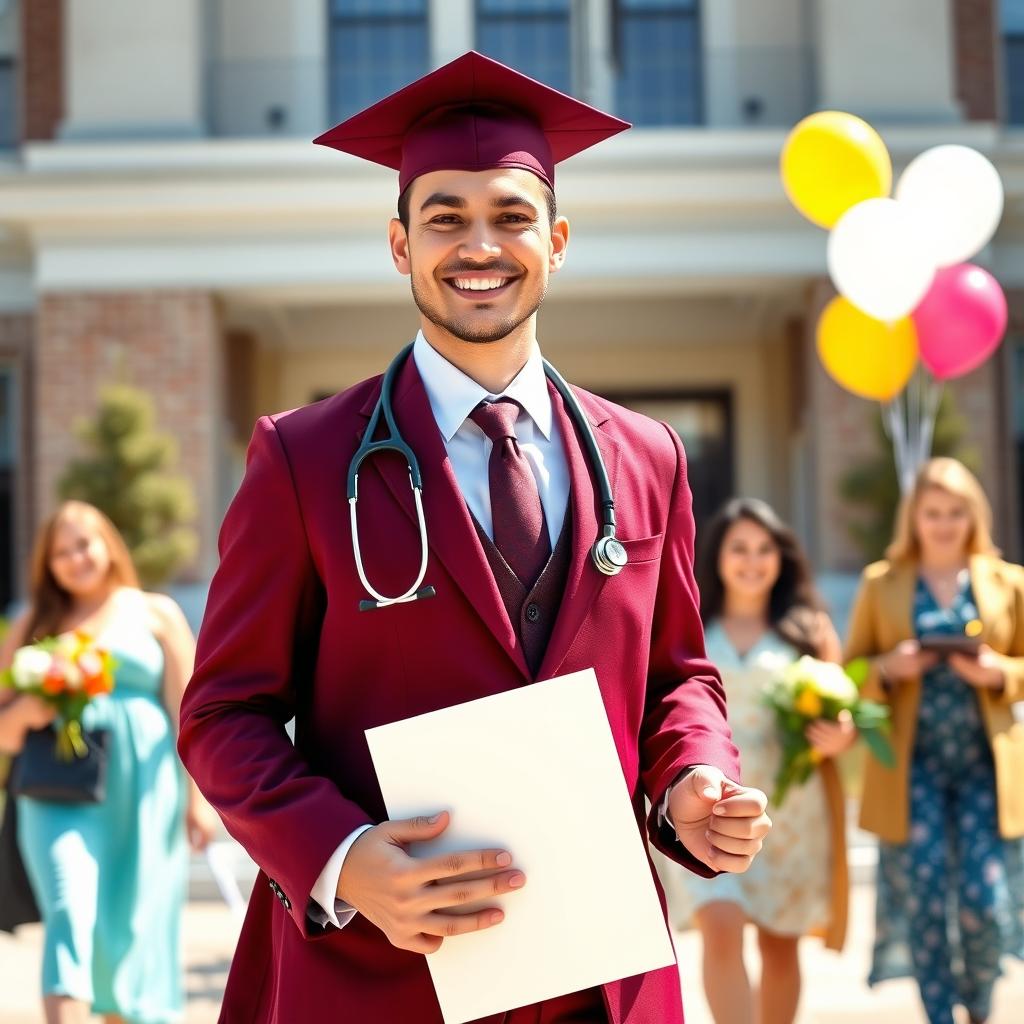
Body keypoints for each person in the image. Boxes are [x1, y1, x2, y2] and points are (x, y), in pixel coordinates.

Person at [178, 52, 771, 1024]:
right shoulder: (304, 457)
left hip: (599, 972)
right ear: (400, 246)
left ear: (559, 239)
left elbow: (677, 678)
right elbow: (223, 717)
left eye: (510, 215)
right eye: (444, 217)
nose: (479, 246)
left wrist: (693, 779)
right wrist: (341, 856)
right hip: (384, 973)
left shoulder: (648, 456)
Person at [0, 500, 218, 1024]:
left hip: (145, 792)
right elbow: (5, 735)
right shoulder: (32, 621)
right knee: (69, 910)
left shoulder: (156, 612)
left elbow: (193, 715)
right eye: (61, 552)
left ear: (108, 545)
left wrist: (199, 801)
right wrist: (30, 708)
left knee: (134, 929)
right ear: (47, 564)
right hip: (56, 794)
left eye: (84, 543)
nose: (76, 558)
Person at [845, 457, 1024, 1024]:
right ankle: (939, 1015)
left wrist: (999, 673)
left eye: (955, 512)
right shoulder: (882, 584)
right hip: (910, 766)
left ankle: (979, 1003)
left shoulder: (1009, 582)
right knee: (924, 897)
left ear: (973, 515)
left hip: (983, 768)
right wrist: (890, 667)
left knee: (982, 900)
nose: (944, 524)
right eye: (932, 513)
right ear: (914, 518)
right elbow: (849, 674)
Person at [661, 498, 853, 1024]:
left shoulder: (809, 628)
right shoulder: (692, 623)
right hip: (710, 801)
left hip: (793, 811)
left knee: (780, 946)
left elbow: (842, 711)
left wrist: (840, 735)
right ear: (717, 557)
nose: (752, 560)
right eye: (739, 548)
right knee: (719, 926)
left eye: (765, 549)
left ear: (781, 557)